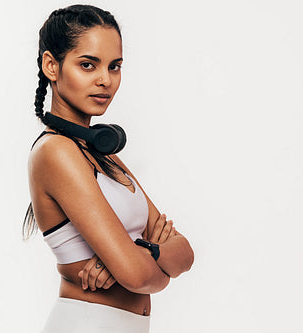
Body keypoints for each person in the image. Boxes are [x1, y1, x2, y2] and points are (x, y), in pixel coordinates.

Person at [23, 4, 194, 332]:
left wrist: (140, 252)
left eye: (114, 66)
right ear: (51, 66)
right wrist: (145, 258)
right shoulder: (56, 151)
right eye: (88, 65)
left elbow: (185, 253)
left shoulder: (100, 151)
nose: (105, 80)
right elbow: (139, 276)